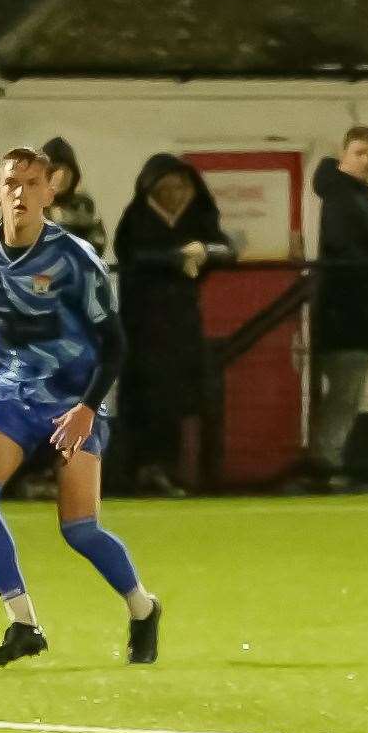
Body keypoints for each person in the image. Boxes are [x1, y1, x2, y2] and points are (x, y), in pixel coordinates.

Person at [0, 146, 163, 667]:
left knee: (79, 529)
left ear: (49, 191)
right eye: (11, 183)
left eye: (31, 183)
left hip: (71, 398)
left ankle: (143, 607)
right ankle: (24, 623)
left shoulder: (76, 259)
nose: (20, 192)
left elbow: (115, 343)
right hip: (10, 391)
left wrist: (88, 407)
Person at [114, 153, 236, 496]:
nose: (176, 193)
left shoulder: (197, 217)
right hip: (142, 325)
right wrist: (178, 258)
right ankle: (142, 467)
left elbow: (228, 249)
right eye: (167, 186)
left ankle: (167, 467)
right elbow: (134, 256)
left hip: (182, 326)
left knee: (178, 398)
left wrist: (205, 252)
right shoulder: (137, 218)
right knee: (146, 398)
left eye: (182, 186)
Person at [304, 125, 368, 490]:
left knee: (340, 395)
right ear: (343, 154)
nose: (367, 161)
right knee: (344, 396)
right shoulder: (348, 200)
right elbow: (353, 257)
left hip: (342, 314)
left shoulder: (341, 196)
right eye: (360, 153)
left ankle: (325, 460)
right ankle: (326, 462)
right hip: (351, 315)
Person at [42, 136, 107, 255]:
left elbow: (96, 244)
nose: (60, 177)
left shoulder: (83, 204)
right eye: (54, 170)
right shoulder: (26, 204)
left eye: (66, 171)